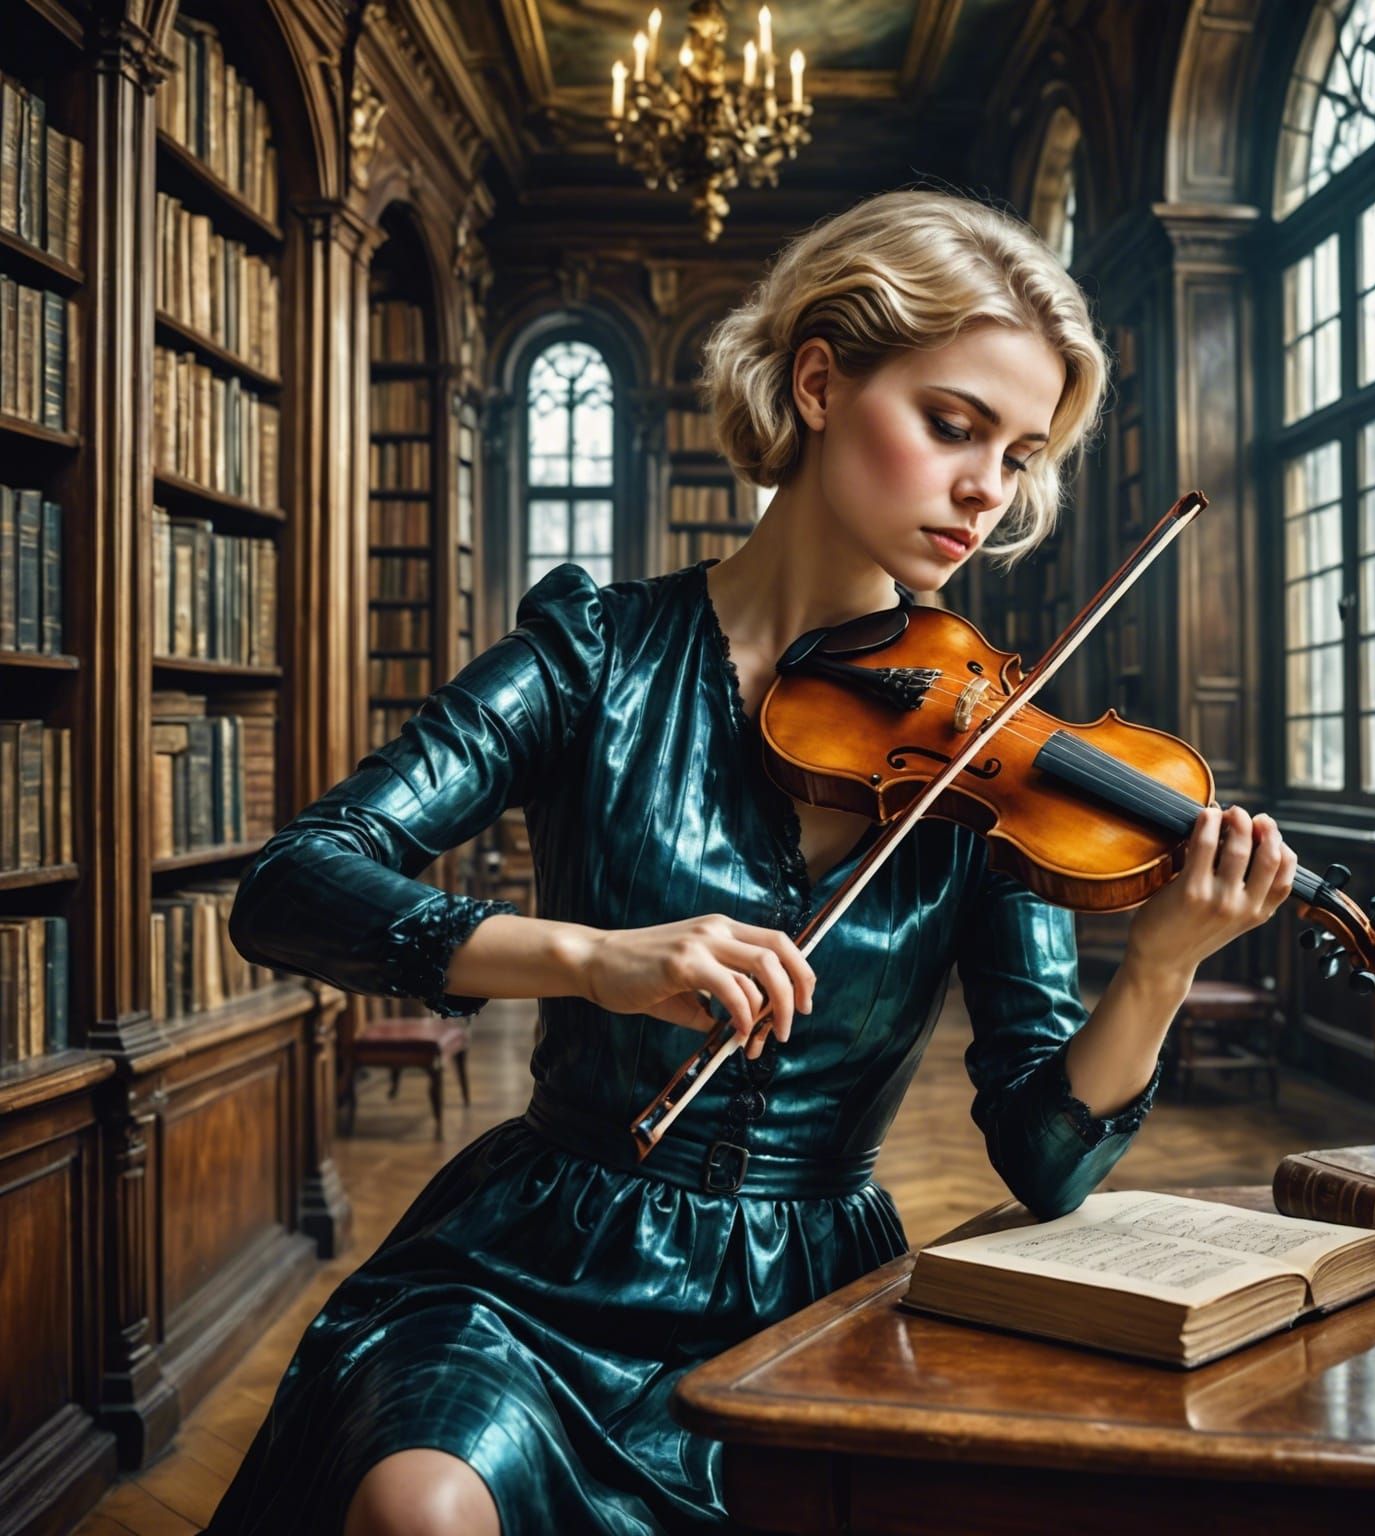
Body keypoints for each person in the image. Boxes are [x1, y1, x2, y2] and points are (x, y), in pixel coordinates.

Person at [205, 186, 1297, 1536]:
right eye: (953, 424)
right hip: (539, 1267)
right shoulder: (592, 653)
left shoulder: (999, 755)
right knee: (421, 1504)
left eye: (1017, 455)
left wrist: (1165, 969)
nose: (984, 490)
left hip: (811, 1294)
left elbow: (1046, 1161)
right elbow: (293, 881)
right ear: (821, 380)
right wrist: (590, 963)